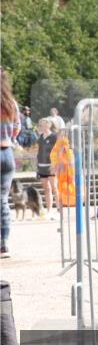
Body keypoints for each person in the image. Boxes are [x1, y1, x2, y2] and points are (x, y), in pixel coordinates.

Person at [1, 68, 21, 258]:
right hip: (7, 154)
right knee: (3, 199)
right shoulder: (11, 103)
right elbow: (17, 129)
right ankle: (4, 243)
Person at [35, 118, 58, 219]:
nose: (40, 127)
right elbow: (38, 151)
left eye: (42, 125)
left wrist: (55, 164)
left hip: (51, 166)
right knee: (46, 188)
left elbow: (58, 151)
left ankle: (59, 210)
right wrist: (37, 165)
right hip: (41, 166)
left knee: (54, 187)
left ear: (48, 125)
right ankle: (49, 210)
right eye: (40, 125)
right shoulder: (40, 137)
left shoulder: (54, 136)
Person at [51, 127, 76, 219]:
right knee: (61, 191)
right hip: (61, 172)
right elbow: (55, 157)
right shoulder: (57, 147)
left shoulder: (65, 147)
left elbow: (66, 159)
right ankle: (60, 211)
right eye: (59, 135)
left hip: (66, 173)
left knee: (65, 191)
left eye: (62, 135)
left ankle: (62, 212)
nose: (60, 137)